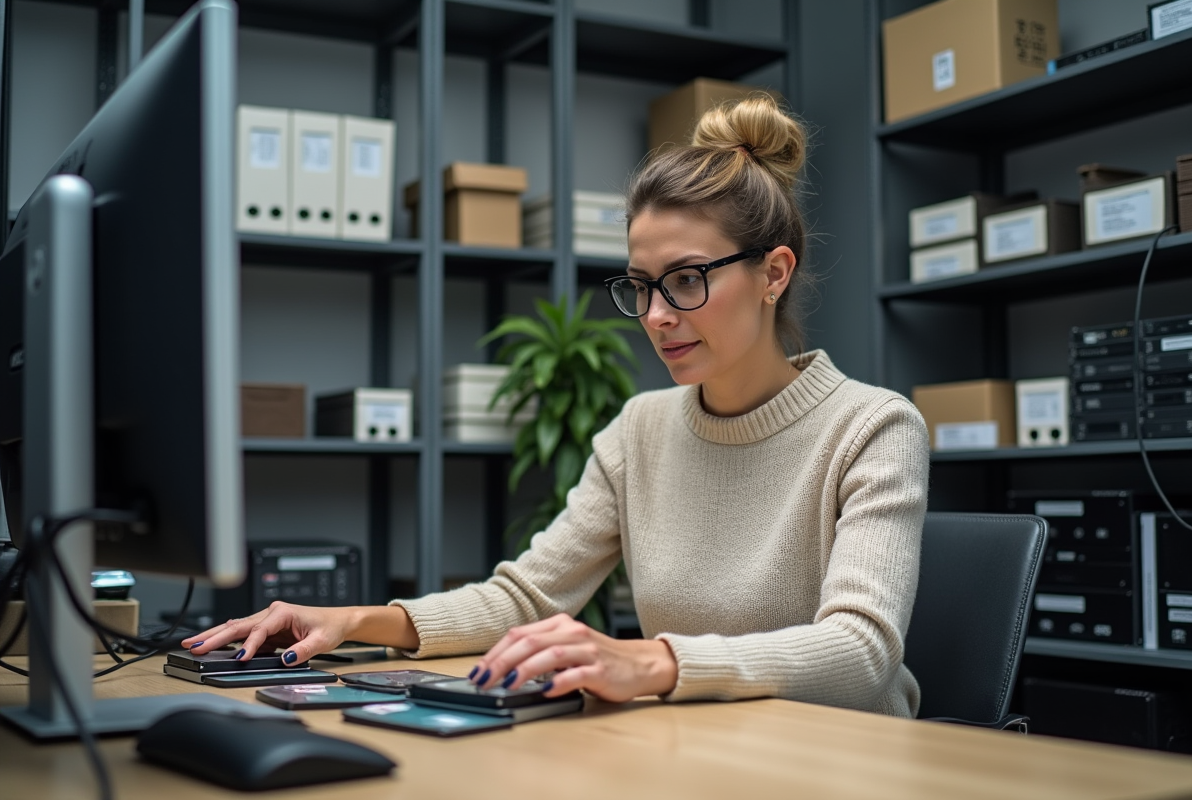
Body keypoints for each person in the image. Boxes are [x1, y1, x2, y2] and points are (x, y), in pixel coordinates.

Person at [184, 95, 929, 718]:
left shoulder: (871, 427)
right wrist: (359, 621)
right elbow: (528, 595)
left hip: (842, 762)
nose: (657, 315)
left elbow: (860, 651)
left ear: (773, 274)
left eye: (688, 279)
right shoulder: (641, 431)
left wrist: (653, 662)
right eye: (640, 285)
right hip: (700, 750)